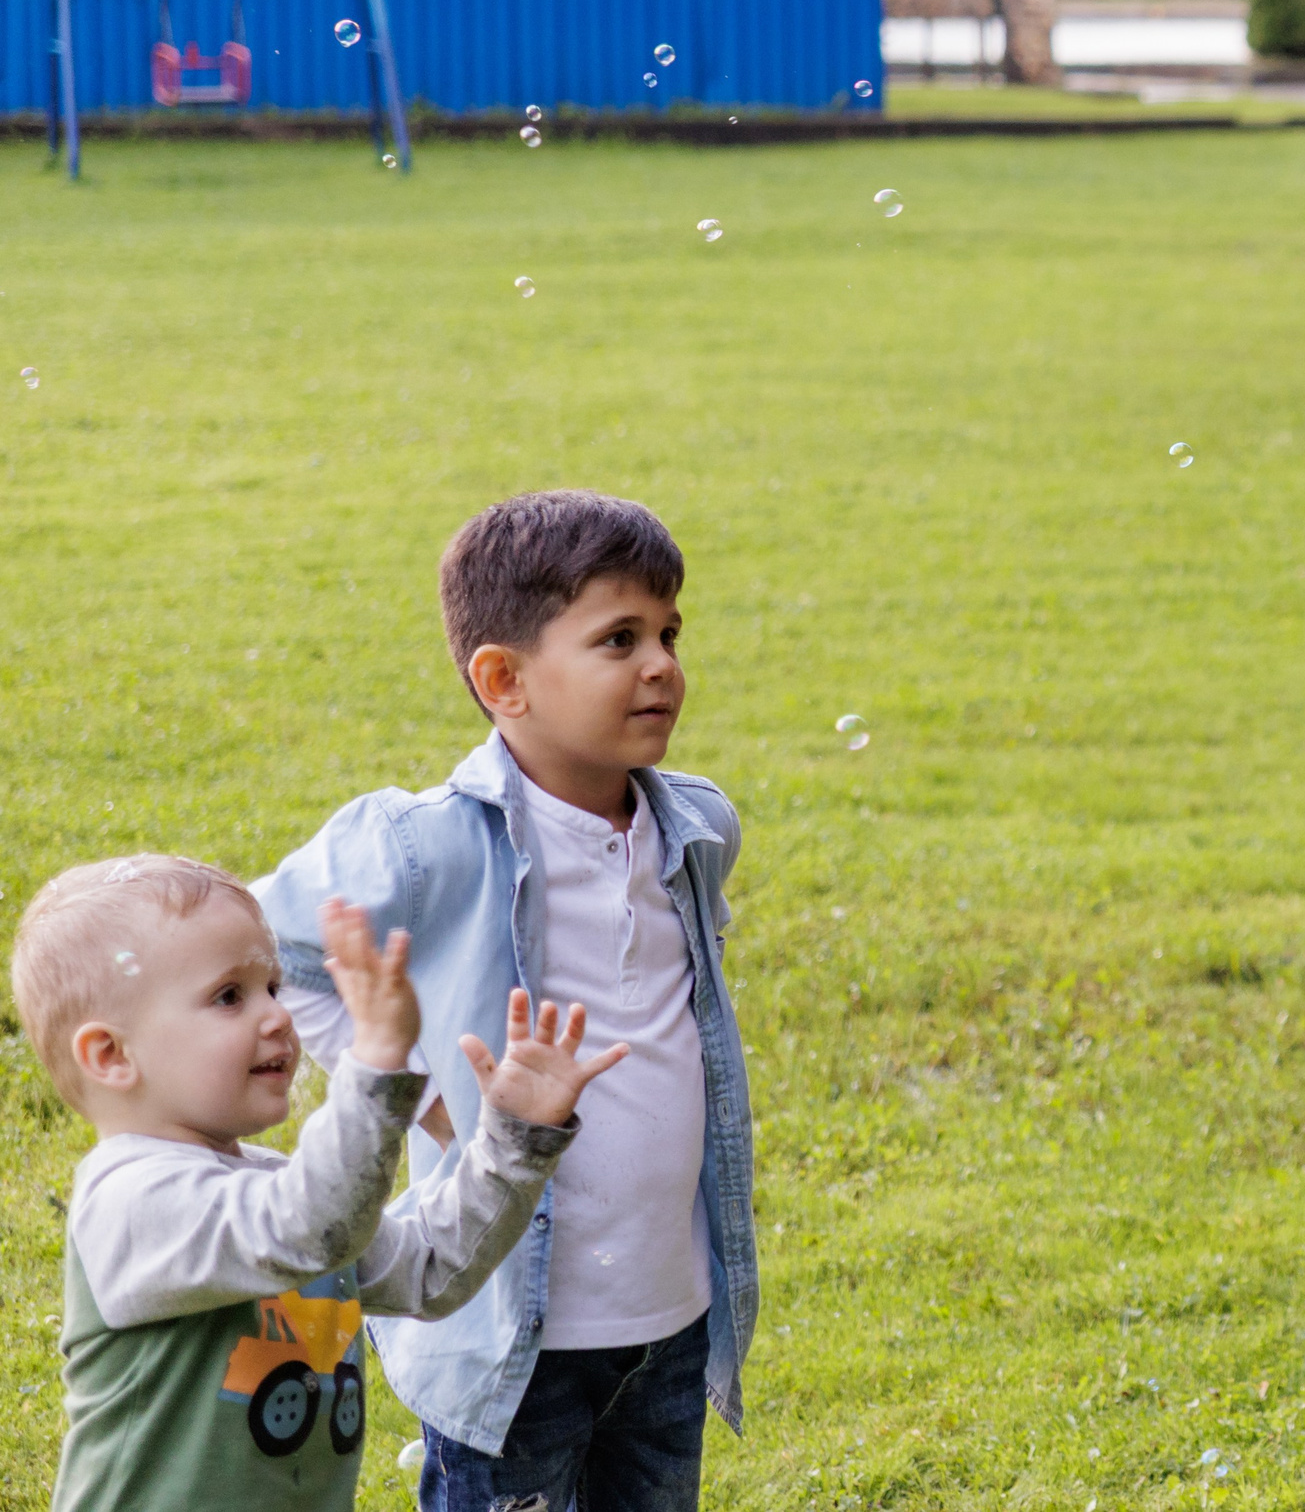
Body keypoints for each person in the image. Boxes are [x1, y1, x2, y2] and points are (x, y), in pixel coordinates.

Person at [256, 489, 755, 1512]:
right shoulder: (423, 843)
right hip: (507, 1333)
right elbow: (271, 945)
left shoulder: (699, 828)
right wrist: (415, 1092)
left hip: (670, 1311)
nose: (661, 664)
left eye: (669, 633)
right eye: (619, 638)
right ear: (503, 680)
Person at [10, 858, 617, 1512]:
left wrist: (513, 1140)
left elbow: (432, 1270)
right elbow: (306, 1227)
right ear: (112, 1056)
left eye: (273, 987)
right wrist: (375, 1070)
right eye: (229, 996)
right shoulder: (130, 1201)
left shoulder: (272, 1184)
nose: (277, 1016)